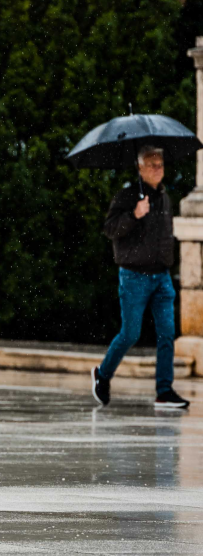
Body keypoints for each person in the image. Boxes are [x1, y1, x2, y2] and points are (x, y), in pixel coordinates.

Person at [92, 145, 189, 409]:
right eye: (152, 164)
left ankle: (164, 390)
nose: (158, 168)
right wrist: (134, 215)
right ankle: (103, 374)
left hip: (162, 277)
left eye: (161, 164)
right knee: (130, 333)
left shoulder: (164, 197)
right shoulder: (126, 196)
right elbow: (110, 229)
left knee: (167, 333)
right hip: (134, 276)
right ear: (140, 168)